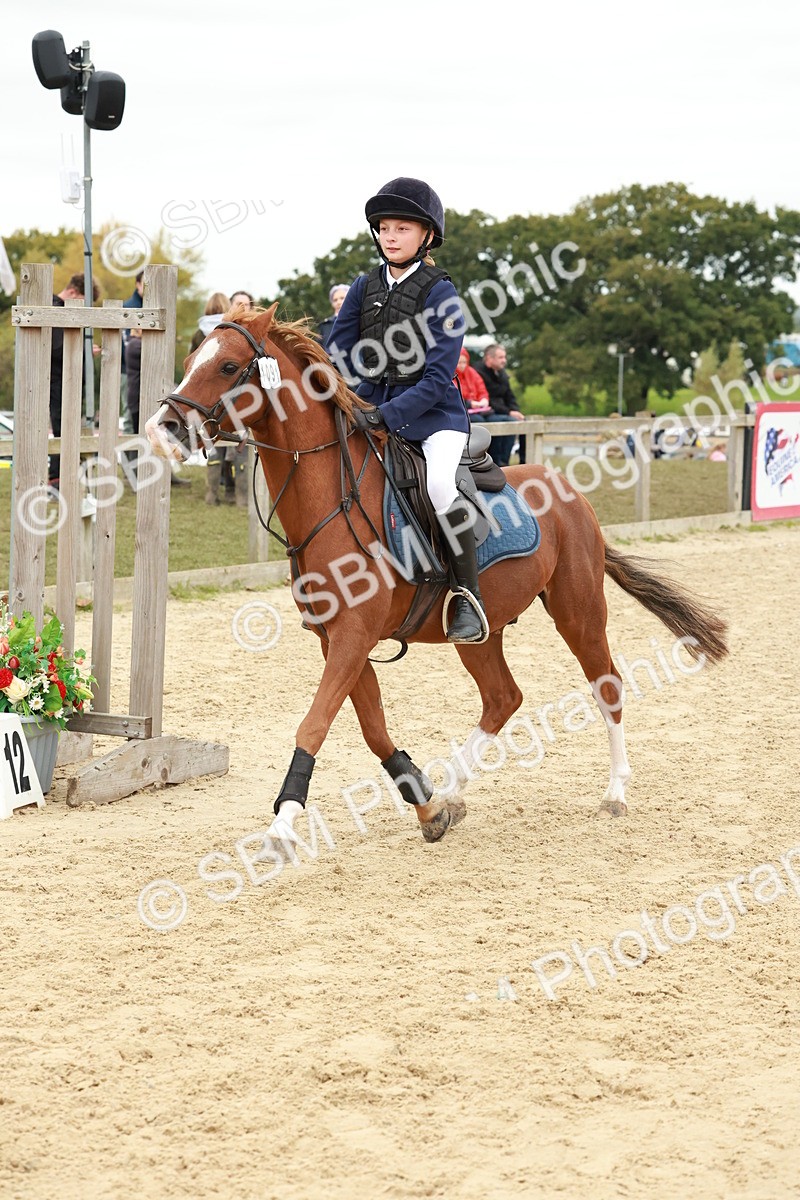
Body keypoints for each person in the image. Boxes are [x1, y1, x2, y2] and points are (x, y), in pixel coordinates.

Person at [328, 177, 486, 643]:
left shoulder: (441, 294)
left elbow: (438, 378)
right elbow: (339, 353)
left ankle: (467, 596)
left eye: (402, 229)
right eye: (384, 229)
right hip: (372, 407)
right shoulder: (364, 286)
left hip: (435, 417)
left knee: (439, 485)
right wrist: (349, 397)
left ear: (427, 235)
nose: (390, 237)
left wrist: (386, 415)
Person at [49, 273, 101, 488]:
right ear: (72, 292)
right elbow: (57, 349)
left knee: (68, 429)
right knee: (62, 429)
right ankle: (56, 478)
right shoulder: (55, 309)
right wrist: (85, 350)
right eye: (82, 301)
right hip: (57, 382)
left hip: (66, 381)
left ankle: (63, 476)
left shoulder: (60, 308)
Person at [474, 343, 524, 467]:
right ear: (489, 358)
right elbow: (487, 399)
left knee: (523, 423)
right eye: (500, 357)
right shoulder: (478, 372)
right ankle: (499, 462)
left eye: (504, 357)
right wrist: (509, 412)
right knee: (507, 421)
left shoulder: (502, 374)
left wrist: (515, 410)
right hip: (487, 411)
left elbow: (509, 395)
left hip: (503, 410)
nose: (504, 360)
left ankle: (523, 461)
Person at [456, 347, 492, 421]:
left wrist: (484, 399)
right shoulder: (451, 375)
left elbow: (482, 390)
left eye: (464, 362)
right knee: (479, 420)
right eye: (459, 363)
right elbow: (454, 397)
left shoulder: (472, 372)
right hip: (461, 410)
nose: (462, 366)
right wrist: (470, 404)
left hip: (478, 409)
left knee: (493, 418)